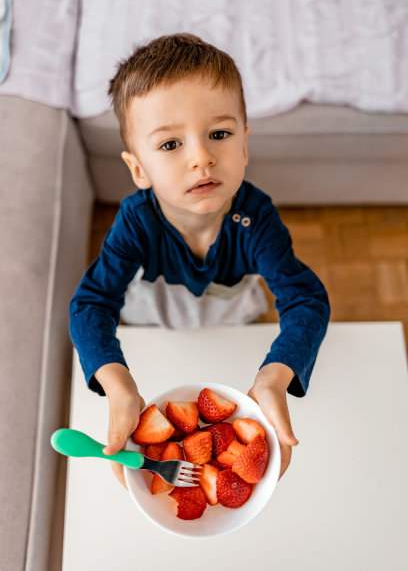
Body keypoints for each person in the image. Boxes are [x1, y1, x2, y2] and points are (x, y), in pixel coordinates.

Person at [69, 33, 330, 489]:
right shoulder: (135, 222)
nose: (202, 157)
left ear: (244, 145)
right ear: (138, 170)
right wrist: (118, 384)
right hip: (153, 327)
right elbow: (91, 304)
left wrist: (274, 374)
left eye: (220, 134)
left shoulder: (257, 217)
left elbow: (305, 299)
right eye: (171, 145)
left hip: (236, 323)